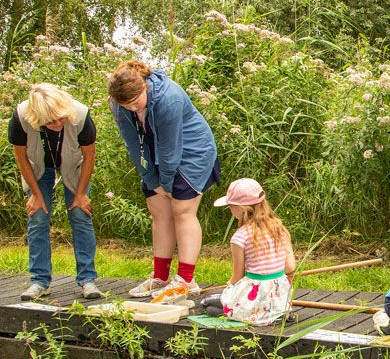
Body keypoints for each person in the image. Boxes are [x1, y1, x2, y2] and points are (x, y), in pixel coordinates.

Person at [108, 59, 219, 299]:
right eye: (124, 105)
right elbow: (133, 145)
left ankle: (186, 280)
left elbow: (171, 149)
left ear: (144, 87)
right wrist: (151, 180)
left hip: (192, 151)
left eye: (135, 102)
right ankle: (160, 277)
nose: (131, 109)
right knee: (157, 208)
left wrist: (167, 185)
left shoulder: (169, 97)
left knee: (181, 209)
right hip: (155, 153)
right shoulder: (119, 105)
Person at [8, 83, 103, 300]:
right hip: (38, 166)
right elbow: (21, 157)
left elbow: (89, 156)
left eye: (61, 118)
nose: (58, 123)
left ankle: (87, 279)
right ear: (36, 118)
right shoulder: (21, 117)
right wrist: (35, 194)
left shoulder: (80, 114)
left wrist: (81, 195)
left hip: (74, 164)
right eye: (50, 121)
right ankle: (40, 281)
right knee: (38, 216)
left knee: (80, 214)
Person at [201, 178, 296, 326]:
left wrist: (229, 285)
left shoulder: (240, 236)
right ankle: (277, 313)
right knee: (213, 301)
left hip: (255, 295)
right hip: (280, 295)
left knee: (207, 304)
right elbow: (290, 268)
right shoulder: (279, 228)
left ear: (242, 208)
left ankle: (256, 313)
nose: (230, 210)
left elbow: (237, 276)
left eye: (231, 206)